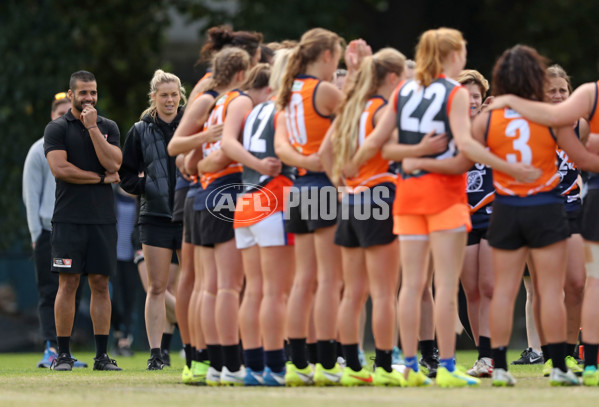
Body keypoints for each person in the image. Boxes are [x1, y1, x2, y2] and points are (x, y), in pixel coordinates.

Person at [348, 28, 535, 388]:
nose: (463, 57)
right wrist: (511, 167)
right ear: (452, 55)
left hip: (407, 197)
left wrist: (356, 168)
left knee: (413, 286)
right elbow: (465, 144)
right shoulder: (454, 92)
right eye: (462, 51)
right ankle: (447, 367)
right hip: (445, 198)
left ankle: (409, 364)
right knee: (445, 288)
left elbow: (381, 146)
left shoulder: (404, 90)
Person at [473, 45, 599, 386]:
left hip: (505, 208)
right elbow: (582, 160)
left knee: (504, 292)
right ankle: (559, 365)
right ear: (535, 77)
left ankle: (498, 367)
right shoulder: (550, 117)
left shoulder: (487, 118)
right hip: (545, 207)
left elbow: (466, 156)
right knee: (548, 290)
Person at [322, 47, 406, 386]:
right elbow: (394, 147)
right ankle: (385, 366)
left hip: (352, 200)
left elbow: (325, 150)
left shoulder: (353, 109)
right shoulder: (382, 110)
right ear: (392, 78)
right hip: (379, 195)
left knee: (352, 291)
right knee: (385, 291)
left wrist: (339, 183)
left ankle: (354, 367)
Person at [273, 28, 347, 386]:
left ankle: (297, 363)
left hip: (298, 188)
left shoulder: (289, 93)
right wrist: (324, 164)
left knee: (303, 280)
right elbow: (353, 125)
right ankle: (329, 364)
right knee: (330, 281)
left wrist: (308, 161)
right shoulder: (326, 91)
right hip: (322, 187)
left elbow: (282, 149)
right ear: (328, 56)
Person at [44, 70, 122, 371]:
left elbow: (115, 162)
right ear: (72, 93)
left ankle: (102, 355)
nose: (89, 98)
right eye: (83, 93)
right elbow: (61, 169)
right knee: (68, 283)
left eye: (93, 92)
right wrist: (101, 178)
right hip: (68, 219)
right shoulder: (57, 128)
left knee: (101, 284)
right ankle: (62, 354)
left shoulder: (107, 127)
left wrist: (92, 129)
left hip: (102, 220)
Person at [221, 62, 290, 386]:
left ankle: (253, 366)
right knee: (275, 292)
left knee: (254, 292)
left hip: (245, 203)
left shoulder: (253, 111)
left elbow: (230, 144)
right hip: (271, 199)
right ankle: (275, 366)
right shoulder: (280, 109)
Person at [119, 69, 187, 370]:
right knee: (157, 288)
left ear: (180, 96)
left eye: (174, 95)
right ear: (154, 98)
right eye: (164, 95)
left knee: (195, 286)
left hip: (189, 214)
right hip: (154, 217)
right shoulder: (139, 130)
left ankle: (199, 348)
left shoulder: (192, 123)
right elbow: (125, 175)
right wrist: (145, 186)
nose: (170, 100)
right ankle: (156, 353)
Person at [23, 92, 86, 369]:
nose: (65, 117)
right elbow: (30, 196)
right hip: (49, 232)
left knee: (74, 291)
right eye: (60, 113)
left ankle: (65, 350)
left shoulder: (81, 146)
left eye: (68, 113)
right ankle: (50, 348)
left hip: (77, 230)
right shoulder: (39, 150)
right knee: (51, 292)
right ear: (52, 116)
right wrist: (36, 235)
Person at [456, 69, 495, 378]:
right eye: (466, 95)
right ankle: (483, 356)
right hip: (461, 215)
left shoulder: (493, 128)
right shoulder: (449, 129)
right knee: (471, 290)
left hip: (492, 213)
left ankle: (492, 354)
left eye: (476, 96)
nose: (472, 101)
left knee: (489, 285)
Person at [189, 26, 263, 101]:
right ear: (244, 59)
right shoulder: (210, 85)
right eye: (257, 60)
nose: (258, 66)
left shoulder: (237, 88)